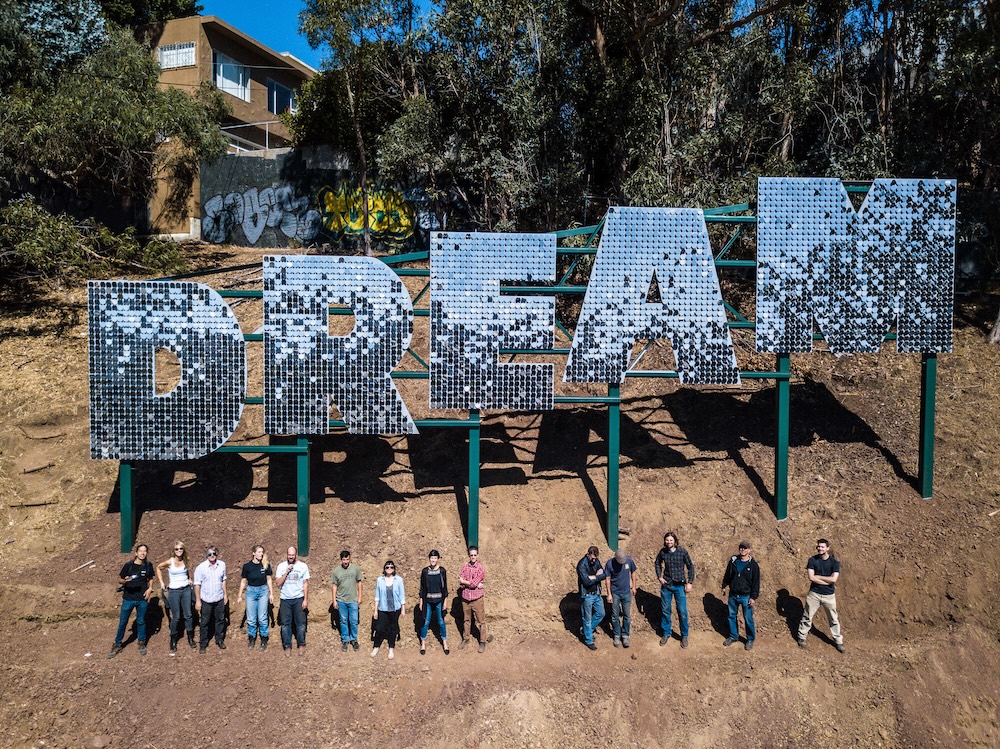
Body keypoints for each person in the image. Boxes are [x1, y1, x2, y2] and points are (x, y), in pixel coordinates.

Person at [107, 541, 154, 658]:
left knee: (141, 621)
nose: (143, 553)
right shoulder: (129, 565)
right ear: (136, 553)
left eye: (145, 551)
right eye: (141, 551)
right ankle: (117, 644)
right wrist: (125, 581)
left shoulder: (148, 565)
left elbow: (151, 578)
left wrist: (150, 589)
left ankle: (141, 642)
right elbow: (120, 580)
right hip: (128, 598)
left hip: (142, 598)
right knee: (123, 622)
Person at [798, 538, 845, 652]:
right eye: (819, 546)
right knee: (807, 616)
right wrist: (827, 581)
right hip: (814, 594)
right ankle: (802, 637)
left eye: (822, 547)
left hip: (829, 596)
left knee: (833, 619)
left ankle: (838, 641)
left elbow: (834, 579)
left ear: (827, 548)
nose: (820, 548)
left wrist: (818, 577)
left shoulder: (834, 563)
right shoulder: (812, 560)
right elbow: (811, 577)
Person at [655, 531, 695, 648]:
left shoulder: (682, 552)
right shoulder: (663, 552)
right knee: (665, 610)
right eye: (667, 540)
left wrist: (690, 582)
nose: (669, 542)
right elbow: (657, 563)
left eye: (671, 540)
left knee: (682, 611)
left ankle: (684, 635)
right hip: (666, 586)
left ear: (675, 541)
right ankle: (666, 633)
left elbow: (690, 567)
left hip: (679, 586)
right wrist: (659, 576)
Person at [156, 540, 195, 654]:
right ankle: (173, 639)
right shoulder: (170, 562)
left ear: (183, 550)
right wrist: (162, 583)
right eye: (176, 549)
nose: (179, 551)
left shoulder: (186, 560)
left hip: (186, 589)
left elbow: (186, 572)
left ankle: (190, 637)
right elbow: (158, 568)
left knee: (188, 614)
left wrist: (189, 578)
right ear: (173, 551)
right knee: (176, 616)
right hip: (174, 591)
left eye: (181, 549)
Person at [721, 541, 761, 650]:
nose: (743, 550)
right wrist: (724, 586)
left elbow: (756, 583)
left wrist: (753, 597)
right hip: (733, 595)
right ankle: (733, 636)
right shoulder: (733, 561)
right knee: (731, 616)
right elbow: (727, 575)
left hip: (746, 596)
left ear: (749, 550)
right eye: (741, 548)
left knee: (748, 618)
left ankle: (750, 639)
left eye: (745, 548)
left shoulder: (753, 565)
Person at [237, 544, 273, 650]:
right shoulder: (247, 566)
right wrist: (239, 595)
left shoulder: (265, 565)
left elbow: (269, 579)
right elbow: (243, 581)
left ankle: (264, 638)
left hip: (263, 591)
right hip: (251, 592)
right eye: (259, 552)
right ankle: (252, 638)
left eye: (262, 552)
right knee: (251, 618)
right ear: (253, 553)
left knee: (262, 617)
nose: (261, 554)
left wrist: (271, 593)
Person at [274, 546, 309, 656]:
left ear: (296, 555)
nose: (291, 557)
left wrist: (305, 599)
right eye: (289, 555)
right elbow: (278, 583)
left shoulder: (303, 566)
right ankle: (287, 646)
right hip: (285, 599)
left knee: (301, 623)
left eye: (293, 555)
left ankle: (301, 644)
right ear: (287, 554)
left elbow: (305, 583)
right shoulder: (281, 567)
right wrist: (286, 572)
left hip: (298, 598)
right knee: (285, 624)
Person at [194, 545, 228, 653]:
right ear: (206, 555)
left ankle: (219, 640)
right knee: (204, 622)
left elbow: (223, 580)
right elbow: (197, 585)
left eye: (214, 553)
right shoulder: (201, 568)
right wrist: (198, 600)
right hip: (206, 600)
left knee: (220, 620)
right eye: (209, 554)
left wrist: (225, 594)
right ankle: (203, 643)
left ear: (217, 554)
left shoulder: (222, 565)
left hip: (219, 598)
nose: (212, 556)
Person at [330, 550, 364, 652]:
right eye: (344, 559)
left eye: (347, 559)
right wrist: (334, 600)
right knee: (343, 620)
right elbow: (334, 586)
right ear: (341, 560)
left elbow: (359, 582)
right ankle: (345, 639)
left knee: (353, 621)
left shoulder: (355, 569)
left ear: (350, 559)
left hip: (353, 600)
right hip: (341, 600)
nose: (345, 561)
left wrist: (360, 596)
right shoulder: (336, 571)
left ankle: (353, 639)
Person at [417, 549, 449, 655]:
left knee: (440, 621)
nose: (433, 560)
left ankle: (444, 643)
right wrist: (421, 601)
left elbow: (445, 587)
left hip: (439, 600)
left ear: (438, 559)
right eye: (431, 558)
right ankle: (423, 644)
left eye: (435, 558)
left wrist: (445, 601)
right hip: (428, 601)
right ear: (429, 559)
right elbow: (422, 587)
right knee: (425, 622)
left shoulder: (442, 571)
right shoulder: (425, 571)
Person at [371, 559, 405, 659]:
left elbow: (402, 595)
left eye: (391, 567)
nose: (389, 569)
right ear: (384, 569)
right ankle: (376, 646)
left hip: (395, 608)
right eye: (387, 567)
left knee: (392, 629)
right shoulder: (379, 580)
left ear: (394, 569)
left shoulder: (398, 580)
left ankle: (391, 648)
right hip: (383, 608)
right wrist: (375, 610)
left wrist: (403, 609)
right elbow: (377, 596)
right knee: (379, 628)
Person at [604, 547, 637, 648]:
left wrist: (634, 587)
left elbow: (633, 573)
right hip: (615, 593)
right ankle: (617, 635)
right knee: (615, 615)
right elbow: (607, 579)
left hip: (626, 592)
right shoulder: (610, 564)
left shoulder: (629, 561)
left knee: (626, 615)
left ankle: (625, 635)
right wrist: (609, 594)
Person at [577, 545, 608, 650]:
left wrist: (593, 577)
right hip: (587, 595)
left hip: (597, 593)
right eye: (592, 558)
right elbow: (586, 581)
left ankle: (586, 631)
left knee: (601, 613)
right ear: (588, 554)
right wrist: (597, 576)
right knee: (587, 618)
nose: (594, 560)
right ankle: (589, 640)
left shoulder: (597, 562)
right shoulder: (582, 565)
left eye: (595, 558)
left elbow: (604, 574)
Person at [458, 545, 488, 652]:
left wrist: (465, 582)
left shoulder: (480, 568)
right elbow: (460, 580)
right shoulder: (464, 566)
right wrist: (466, 583)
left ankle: (483, 641)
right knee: (466, 620)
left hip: (477, 599)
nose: (473, 557)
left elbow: (472, 584)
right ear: (469, 556)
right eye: (471, 555)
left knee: (481, 621)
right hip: (466, 598)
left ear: (477, 555)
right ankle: (466, 638)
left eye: (475, 555)